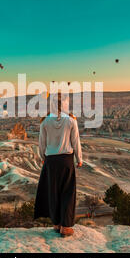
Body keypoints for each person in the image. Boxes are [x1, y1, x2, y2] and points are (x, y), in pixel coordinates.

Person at [34, 92, 82, 237]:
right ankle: (66, 227)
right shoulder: (71, 121)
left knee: (52, 192)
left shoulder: (45, 121)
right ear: (65, 104)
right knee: (67, 192)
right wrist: (79, 159)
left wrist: (43, 157)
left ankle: (56, 224)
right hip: (66, 160)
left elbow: (41, 143)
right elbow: (76, 141)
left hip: (50, 161)